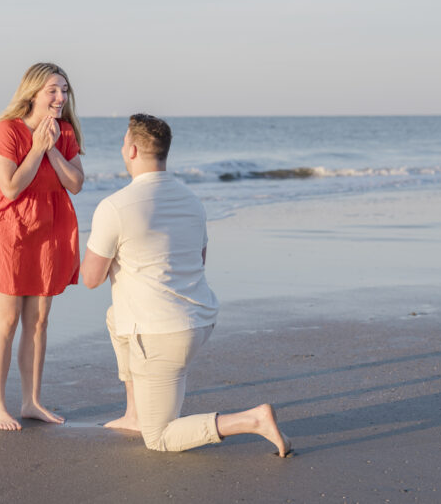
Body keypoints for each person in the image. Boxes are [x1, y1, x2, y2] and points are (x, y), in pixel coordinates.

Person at [80, 114, 291, 455]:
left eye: (123, 143)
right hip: (199, 320)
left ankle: (253, 420)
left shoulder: (115, 207)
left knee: (160, 437)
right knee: (113, 316)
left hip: (161, 335)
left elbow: (90, 279)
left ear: (131, 150)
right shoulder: (192, 201)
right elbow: (198, 260)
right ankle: (134, 413)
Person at [0, 62, 85, 431]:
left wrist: (52, 150)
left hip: (49, 232)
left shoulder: (64, 132)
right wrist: (37, 148)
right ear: (32, 92)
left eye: (64, 90)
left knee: (38, 322)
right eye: (52, 90)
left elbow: (77, 182)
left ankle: (32, 401)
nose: (60, 97)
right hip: (8, 232)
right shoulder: (7, 131)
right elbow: (11, 187)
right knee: (6, 320)